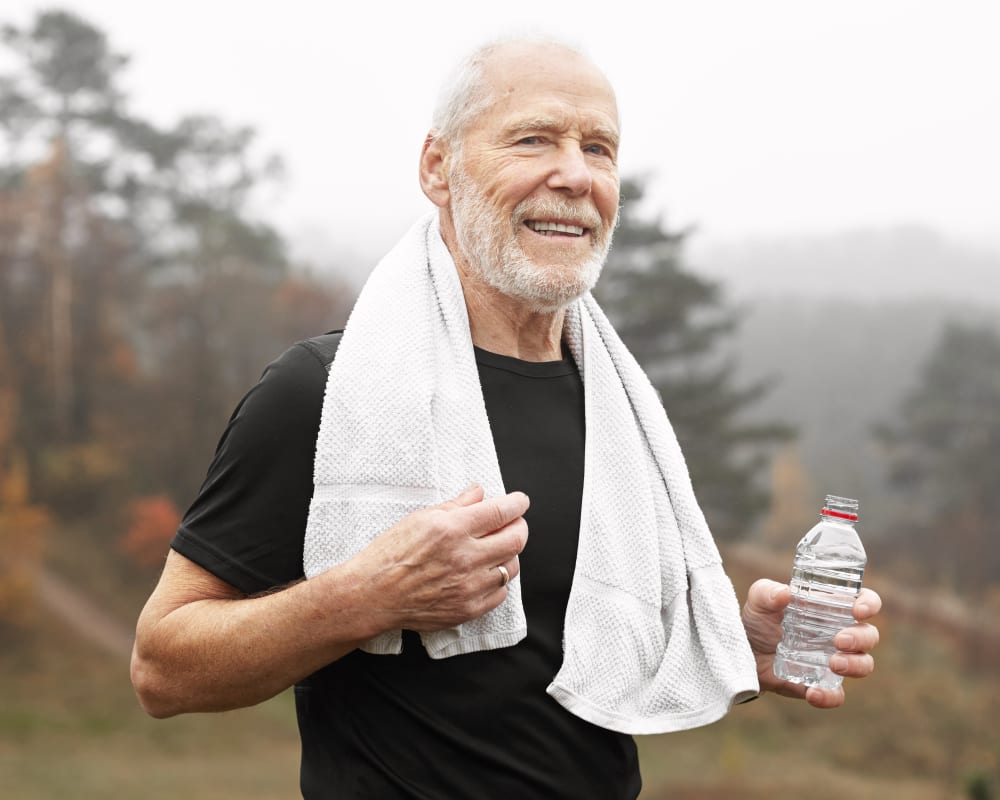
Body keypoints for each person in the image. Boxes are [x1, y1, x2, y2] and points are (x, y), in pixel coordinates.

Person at [131, 37, 881, 799]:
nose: (575, 175)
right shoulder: (323, 391)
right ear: (438, 167)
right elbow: (162, 668)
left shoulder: (620, 411)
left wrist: (733, 644)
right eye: (533, 139)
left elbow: (576, 645)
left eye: (599, 148)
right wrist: (362, 597)